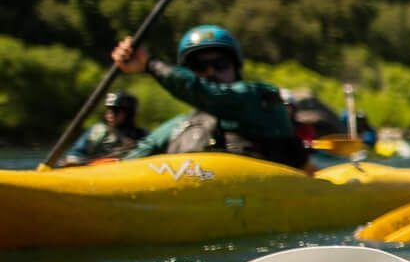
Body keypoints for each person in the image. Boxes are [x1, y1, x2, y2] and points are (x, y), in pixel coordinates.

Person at [112, 25, 308, 168]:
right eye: (199, 66)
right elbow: (137, 156)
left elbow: (209, 93)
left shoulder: (261, 97)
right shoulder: (182, 126)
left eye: (220, 64)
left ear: (236, 67)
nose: (211, 72)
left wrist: (148, 64)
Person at [57, 91, 149, 165]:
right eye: (109, 110)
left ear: (128, 114)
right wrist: (74, 160)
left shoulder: (142, 135)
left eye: (115, 111)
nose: (110, 115)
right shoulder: (98, 131)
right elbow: (76, 153)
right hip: (97, 173)